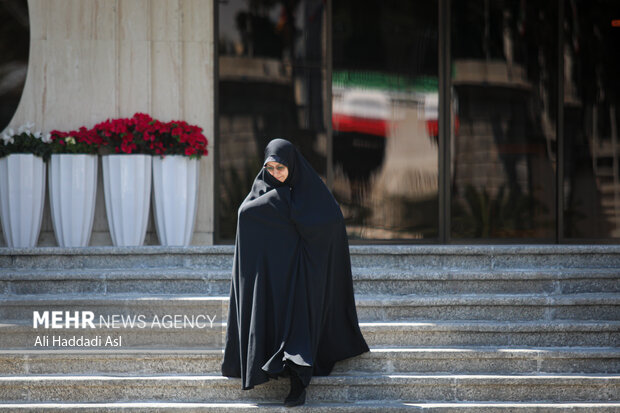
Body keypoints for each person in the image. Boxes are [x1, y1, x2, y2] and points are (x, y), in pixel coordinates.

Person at [221, 138, 369, 407]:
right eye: (271, 168)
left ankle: (299, 384)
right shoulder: (258, 197)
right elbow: (247, 218)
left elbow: (332, 222)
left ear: (293, 166)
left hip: (304, 277)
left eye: (281, 168)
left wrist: (287, 205)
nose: (275, 173)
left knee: (300, 328)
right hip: (273, 281)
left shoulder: (312, 193)